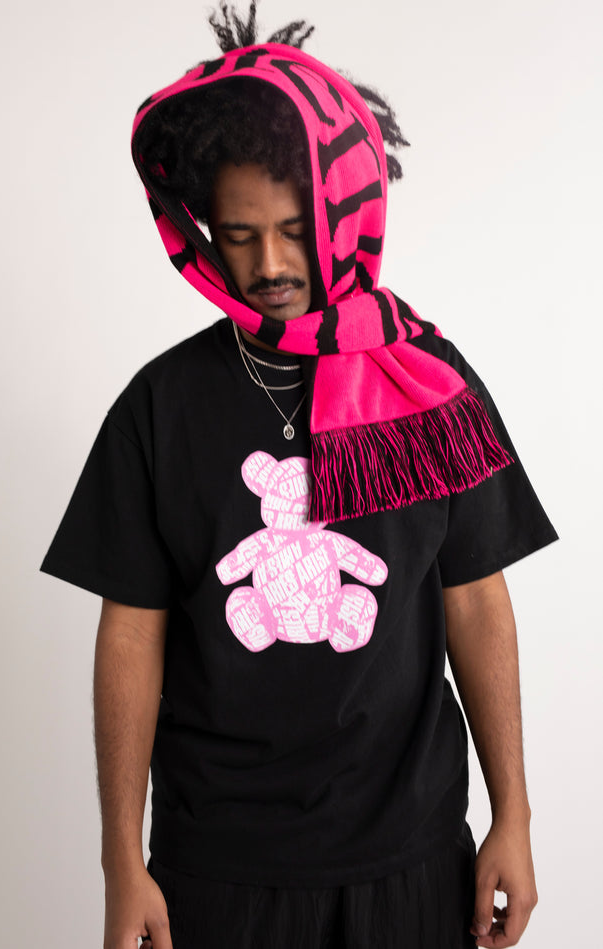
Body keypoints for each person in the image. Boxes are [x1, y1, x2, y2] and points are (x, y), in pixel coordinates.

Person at [41, 4, 557, 947]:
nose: (270, 264)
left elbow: (476, 599)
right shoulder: (159, 407)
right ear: (204, 229)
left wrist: (512, 815)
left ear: (344, 213)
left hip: (412, 854)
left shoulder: (429, 384)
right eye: (239, 235)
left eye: (292, 229)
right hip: (218, 864)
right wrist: (121, 859)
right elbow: (131, 634)